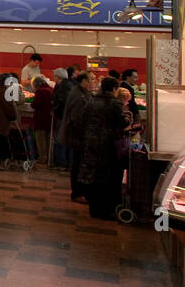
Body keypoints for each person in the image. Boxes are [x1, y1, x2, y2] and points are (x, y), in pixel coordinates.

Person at [79, 77, 128, 220]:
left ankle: (94, 208)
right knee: (108, 177)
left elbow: (82, 119)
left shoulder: (91, 101)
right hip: (108, 145)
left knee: (93, 175)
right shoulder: (114, 104)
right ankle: (106, 210)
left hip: (91, 143)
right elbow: (122, 123)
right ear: (114, 89)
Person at [57, 70, 94, 203]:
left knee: (78, 164)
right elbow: (78, 119)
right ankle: (77, 193)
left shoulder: (82, 93)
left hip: (77, 136)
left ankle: (79, 192)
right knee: (78, 165)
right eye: (92, 79)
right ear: (84, 81)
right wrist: (86, 135)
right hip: (77, 136)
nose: (94, 82)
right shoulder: (79, 96)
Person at [31, 76, 55, 168]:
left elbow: (35, 104)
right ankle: (49, 157)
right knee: (48, 138)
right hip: (50, 118)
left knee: (40, 139)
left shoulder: (40, 91)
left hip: (40, 119)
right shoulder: (51, 89)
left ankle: (42, 157)